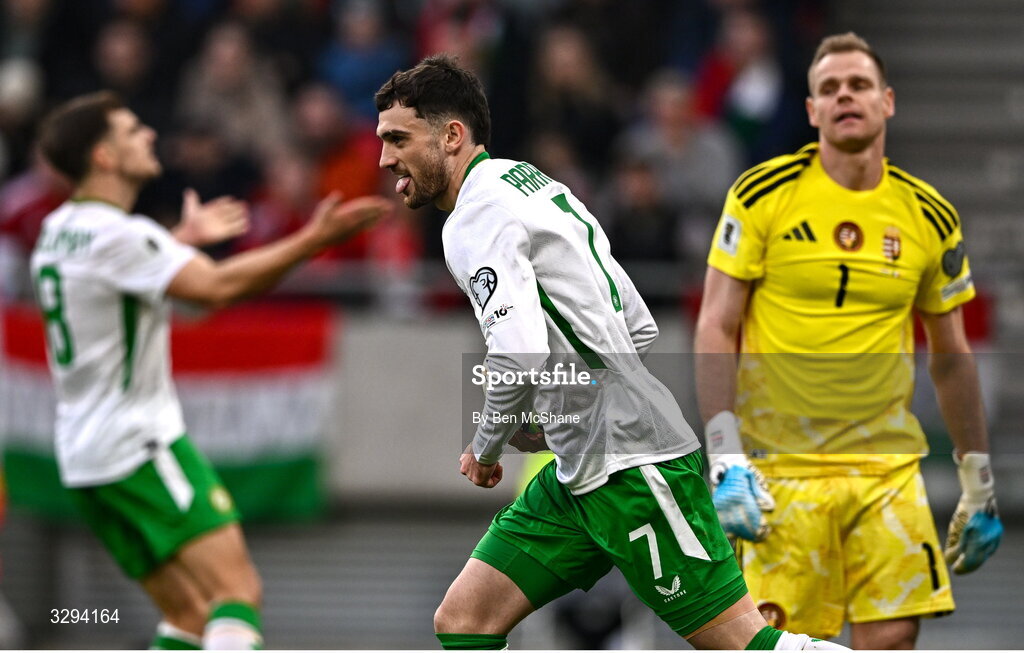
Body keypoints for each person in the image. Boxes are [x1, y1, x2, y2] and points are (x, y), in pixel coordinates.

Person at [375, 54, 846, 651]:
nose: (386, 158)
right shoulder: (533, 183)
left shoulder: (475, 216)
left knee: (745, 644)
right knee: (465, 619)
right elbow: (636, 321)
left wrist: (488, 443)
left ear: (451, 135)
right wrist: (566, 409)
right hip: (580, 472)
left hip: (630, 467)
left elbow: (518, 353)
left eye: (397, 138)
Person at [30, 91, 390, 650]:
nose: (148, 135)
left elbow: (112, 275)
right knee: (237, 593)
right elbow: (216, 289)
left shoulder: (58, 232)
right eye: (130, 130)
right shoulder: (123, 236)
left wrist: (177, 245)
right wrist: (314, 240)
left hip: (84, 459)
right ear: (103, 157)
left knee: (190, 616)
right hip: (140, 446)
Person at [694, 32, 1003, 649]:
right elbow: (715, 325)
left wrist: (978, 478)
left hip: (885, 471)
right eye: (829, 89)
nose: (844, 96)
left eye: (858, 85)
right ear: (811, 112)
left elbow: (951, 358)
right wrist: (725, 455)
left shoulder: (929, 215)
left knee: (890, 640)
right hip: (779, 473)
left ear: (887, 101)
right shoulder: (762, 195)